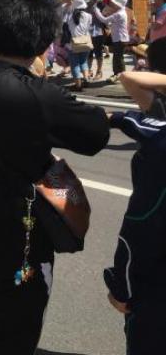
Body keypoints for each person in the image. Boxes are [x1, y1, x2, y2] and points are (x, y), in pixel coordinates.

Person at [0, 0, 109, 355]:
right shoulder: (38, 95)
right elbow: (96, 133)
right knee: (14, 339)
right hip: (18, 249)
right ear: (44, 42)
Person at [104, 38, 166, 354]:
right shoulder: (154, 114)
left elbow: (139, 228)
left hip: (155, 287)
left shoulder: (158, 138)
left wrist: (122, 288)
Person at [93, 0, 130, 81]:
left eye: (114, 4)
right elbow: (109, 23)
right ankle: (120, 75)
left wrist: (96, 9)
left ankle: (118, 75)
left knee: (118, 58)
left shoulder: (119, 14)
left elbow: (104, 20)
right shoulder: (121, 12)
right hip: (120, 38)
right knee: (119, 57)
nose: (112, 5)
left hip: (120, 39)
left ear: (119, 4)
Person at [66, 0, 94, 92]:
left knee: (75, 64)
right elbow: (89, 28)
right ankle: (86, 79)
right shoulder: (89, 16)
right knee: (83, 62)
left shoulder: (70, 16)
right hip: (85, 42)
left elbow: (67, 28)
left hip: (73, 43)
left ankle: (78, 85)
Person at [87, 0, 107, 81]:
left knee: (98, 52)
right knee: (88, 52)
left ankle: (99, 71)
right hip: (88, 31)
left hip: (98, 31)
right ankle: (89, 70)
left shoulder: (100, 4)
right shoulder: (86, 5)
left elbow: (105, 17)